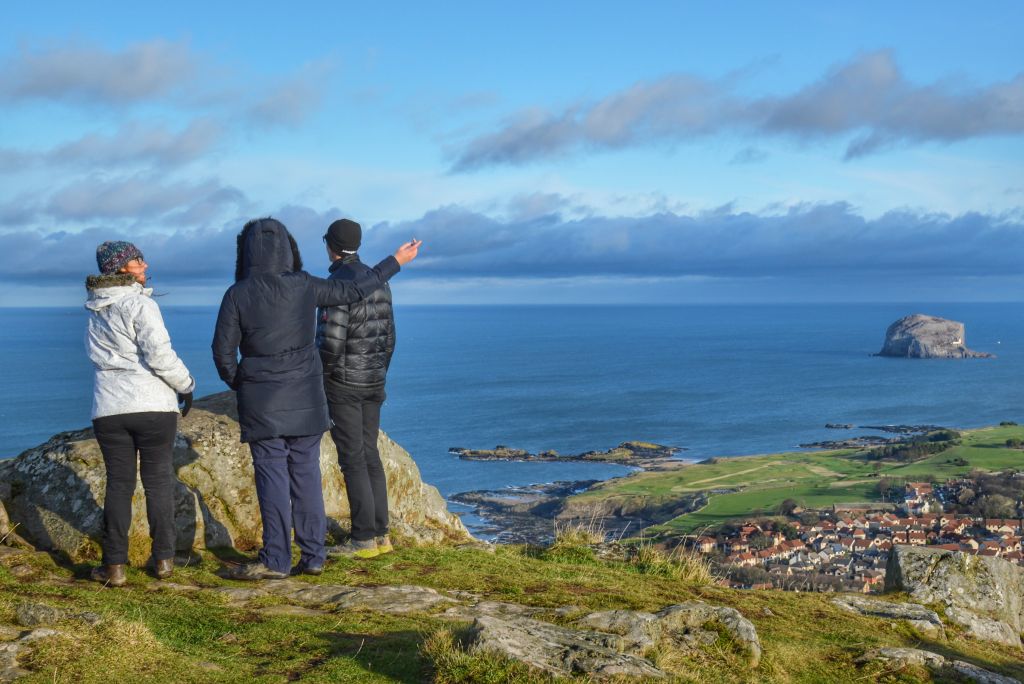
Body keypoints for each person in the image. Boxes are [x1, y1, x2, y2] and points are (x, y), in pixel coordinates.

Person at [212, 217, 420, 580]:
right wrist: (395, 262)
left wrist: (241, 382)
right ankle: (314, 555)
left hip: (265, 401)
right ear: (288, 249)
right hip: (309, 395)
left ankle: (276, 559)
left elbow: (222, 353)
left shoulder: (238, 294)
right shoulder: (304, 286)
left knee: (273, 478)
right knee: (306, 476)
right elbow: (357, 291)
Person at [85, 241, 195, 586]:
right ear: (121, 268)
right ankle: (163, 560)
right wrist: (186, 384)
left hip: (110, 408)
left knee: (119, 485)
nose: (145, 264)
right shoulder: (140, 304)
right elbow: (160, 355)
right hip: (152, 406)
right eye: (137, 260)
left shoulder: (95, 309)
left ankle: (114, 567)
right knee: (158, 482)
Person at [316, 219, 398, 559]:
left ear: (331, 246)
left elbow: (330, 344)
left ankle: (363, 538)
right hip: (373, 380)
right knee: (370, 455)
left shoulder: (336, 284)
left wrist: (323, 379)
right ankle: (381, 534)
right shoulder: (379, 282)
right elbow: (389, 338)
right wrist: (378, 372)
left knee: (352, 459)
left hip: (344, 384)